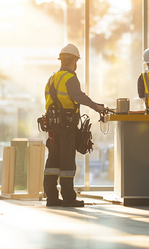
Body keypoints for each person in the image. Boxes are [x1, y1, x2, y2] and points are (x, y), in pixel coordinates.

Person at [43, 43, 105, 208]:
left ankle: (51, 197)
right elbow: (78, 96)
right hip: (67, 127)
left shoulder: (52, 78)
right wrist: (96, 106)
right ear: (73, 61)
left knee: (53, 161)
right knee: (67, 163)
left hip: (53, 127)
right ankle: (69, 197)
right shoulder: (70, 78)